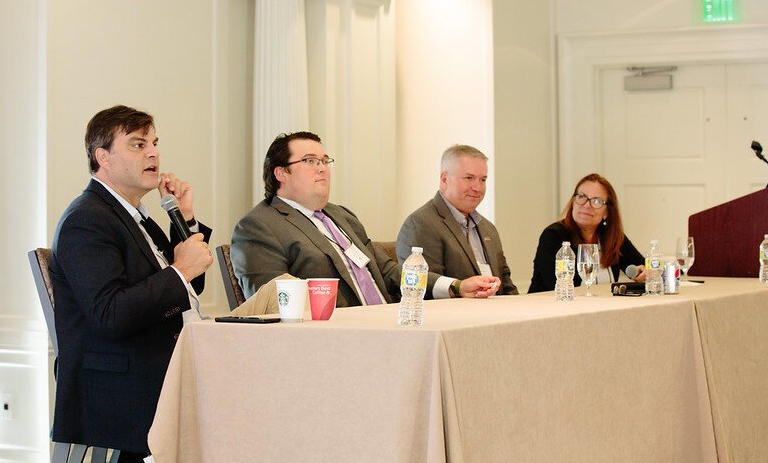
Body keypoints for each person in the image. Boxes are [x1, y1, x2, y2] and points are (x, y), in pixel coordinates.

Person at [48, 105, 213, 458]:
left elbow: (189, 289)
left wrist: (184, 219)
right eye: (138, 145)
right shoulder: (88, 219)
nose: (153, 152)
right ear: (102, 157)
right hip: (122, 382)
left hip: (161, 364)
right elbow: (111, 315)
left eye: (154, 143)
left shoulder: (133, 215)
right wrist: (179, 271)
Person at [231, 132, 501, 307]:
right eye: (310, 161)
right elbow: (272, 304)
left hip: (388, 324)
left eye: (325, 160)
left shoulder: (341, 216)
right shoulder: (258, 226)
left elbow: (390, 272)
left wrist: (454, 286)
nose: (323, 168)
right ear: (281, 173)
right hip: (335, 341)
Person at [396, 145, 518, 296]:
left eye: (483, 180)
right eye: (469, 178)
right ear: (445, 179)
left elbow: (506, 283)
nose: (477, 188)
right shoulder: (420, 224)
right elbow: (424, 287)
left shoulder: (488, 228)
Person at [528, 172, 645, 293]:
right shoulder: (554, 235)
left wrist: (643, 273)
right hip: (552, 308)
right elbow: (556, 286)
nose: (586, 205)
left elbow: (643, 267)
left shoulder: (610, 236)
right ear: (573, 202)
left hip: (601, 308)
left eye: (596, 201)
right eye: (581, 197)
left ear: (607, 212)